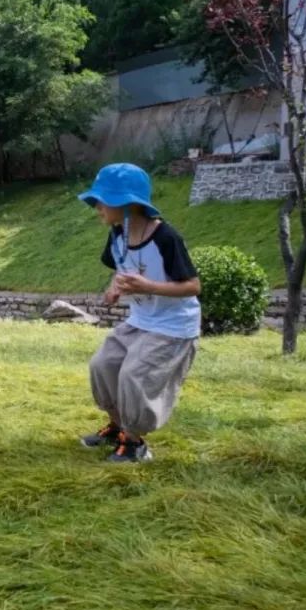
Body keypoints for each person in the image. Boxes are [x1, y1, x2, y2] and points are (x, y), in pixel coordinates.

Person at [77, 163, 201, 462]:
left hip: (172, 326)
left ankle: (135, 445)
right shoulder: (118, 234)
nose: (97, 208)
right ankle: (119, 426)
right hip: (141, 320)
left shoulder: (165, 238)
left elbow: (193, 286)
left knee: (134, 374)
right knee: (103, 365)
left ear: (128, 203)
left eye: (102, 201)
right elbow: (120, 268)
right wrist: (114, 289)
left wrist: (149, 286)